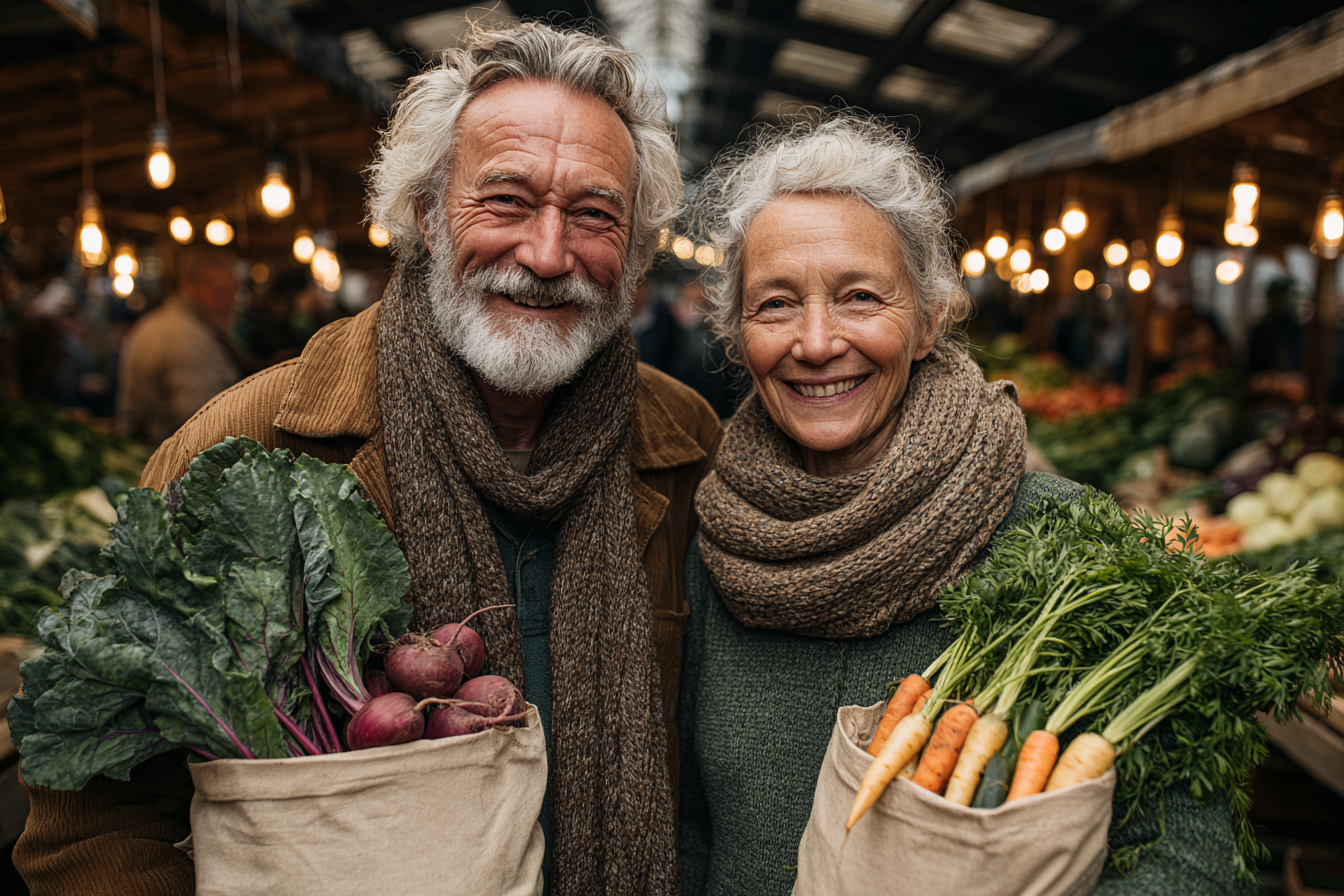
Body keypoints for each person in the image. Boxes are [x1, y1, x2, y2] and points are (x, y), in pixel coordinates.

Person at [16, 24, 719, 896]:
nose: (547, 254)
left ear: (635, 251)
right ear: (425, 215)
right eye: (504, 201)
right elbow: (89, 825)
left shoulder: (687, 446)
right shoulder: (244, 450)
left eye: (594, 214)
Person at [676, 116, 1245, 895]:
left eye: (860, 296)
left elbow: (1189, 854)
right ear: (738, 336)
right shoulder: (716, 544)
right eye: (775, 304)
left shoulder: (1070, 543)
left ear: (929, 319)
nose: (815, 341)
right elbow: (690, 831)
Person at [115, 247, 241, 446]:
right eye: (221, 291)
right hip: (170, 464)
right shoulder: (187, 339)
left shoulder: (160, 322)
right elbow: (203, 428)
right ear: (190, 287)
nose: (231, 301)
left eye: (234, 292)